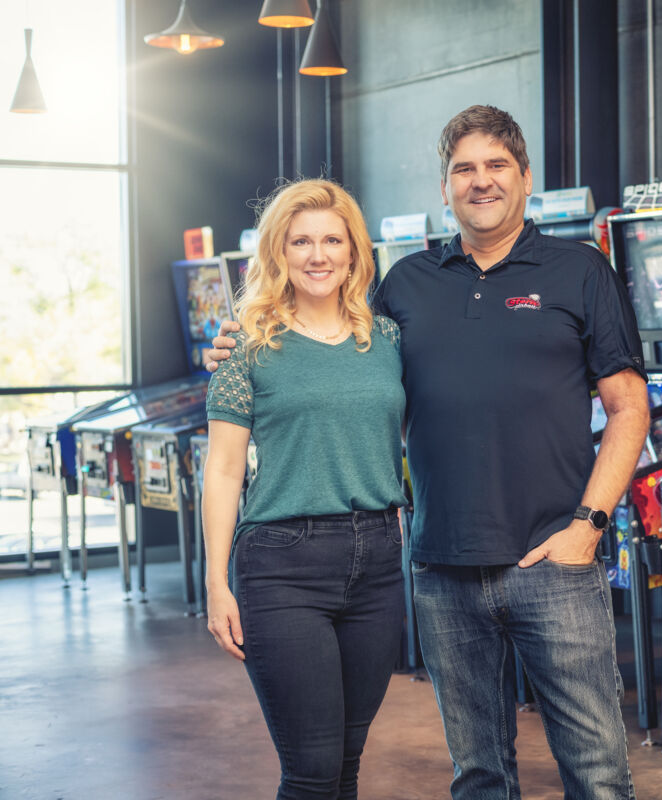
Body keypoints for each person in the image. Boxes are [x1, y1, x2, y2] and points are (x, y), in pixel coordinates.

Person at [210, 106, 649, 800]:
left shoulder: (581, 271)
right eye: (463, 169)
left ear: (525, 176)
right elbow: (333, 356)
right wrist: (240, 344)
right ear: (444, 187)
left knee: (596, 775)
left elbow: (629, 408)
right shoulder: (405, 287)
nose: (481, 181)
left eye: (496, 165)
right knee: (478, 775)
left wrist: (588, 526)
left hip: (554, 562)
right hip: (441, 568)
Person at [203, 178, 408, 799]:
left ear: (353, 251)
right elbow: (223, 470)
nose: (318, 256)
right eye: (301, 242)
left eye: (332, 241)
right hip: (282, 564)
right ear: (279, 253)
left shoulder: (387, 339)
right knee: (312, 770)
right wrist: (215, 582)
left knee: (346, 763)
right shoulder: (246, 347)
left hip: (378, 561)